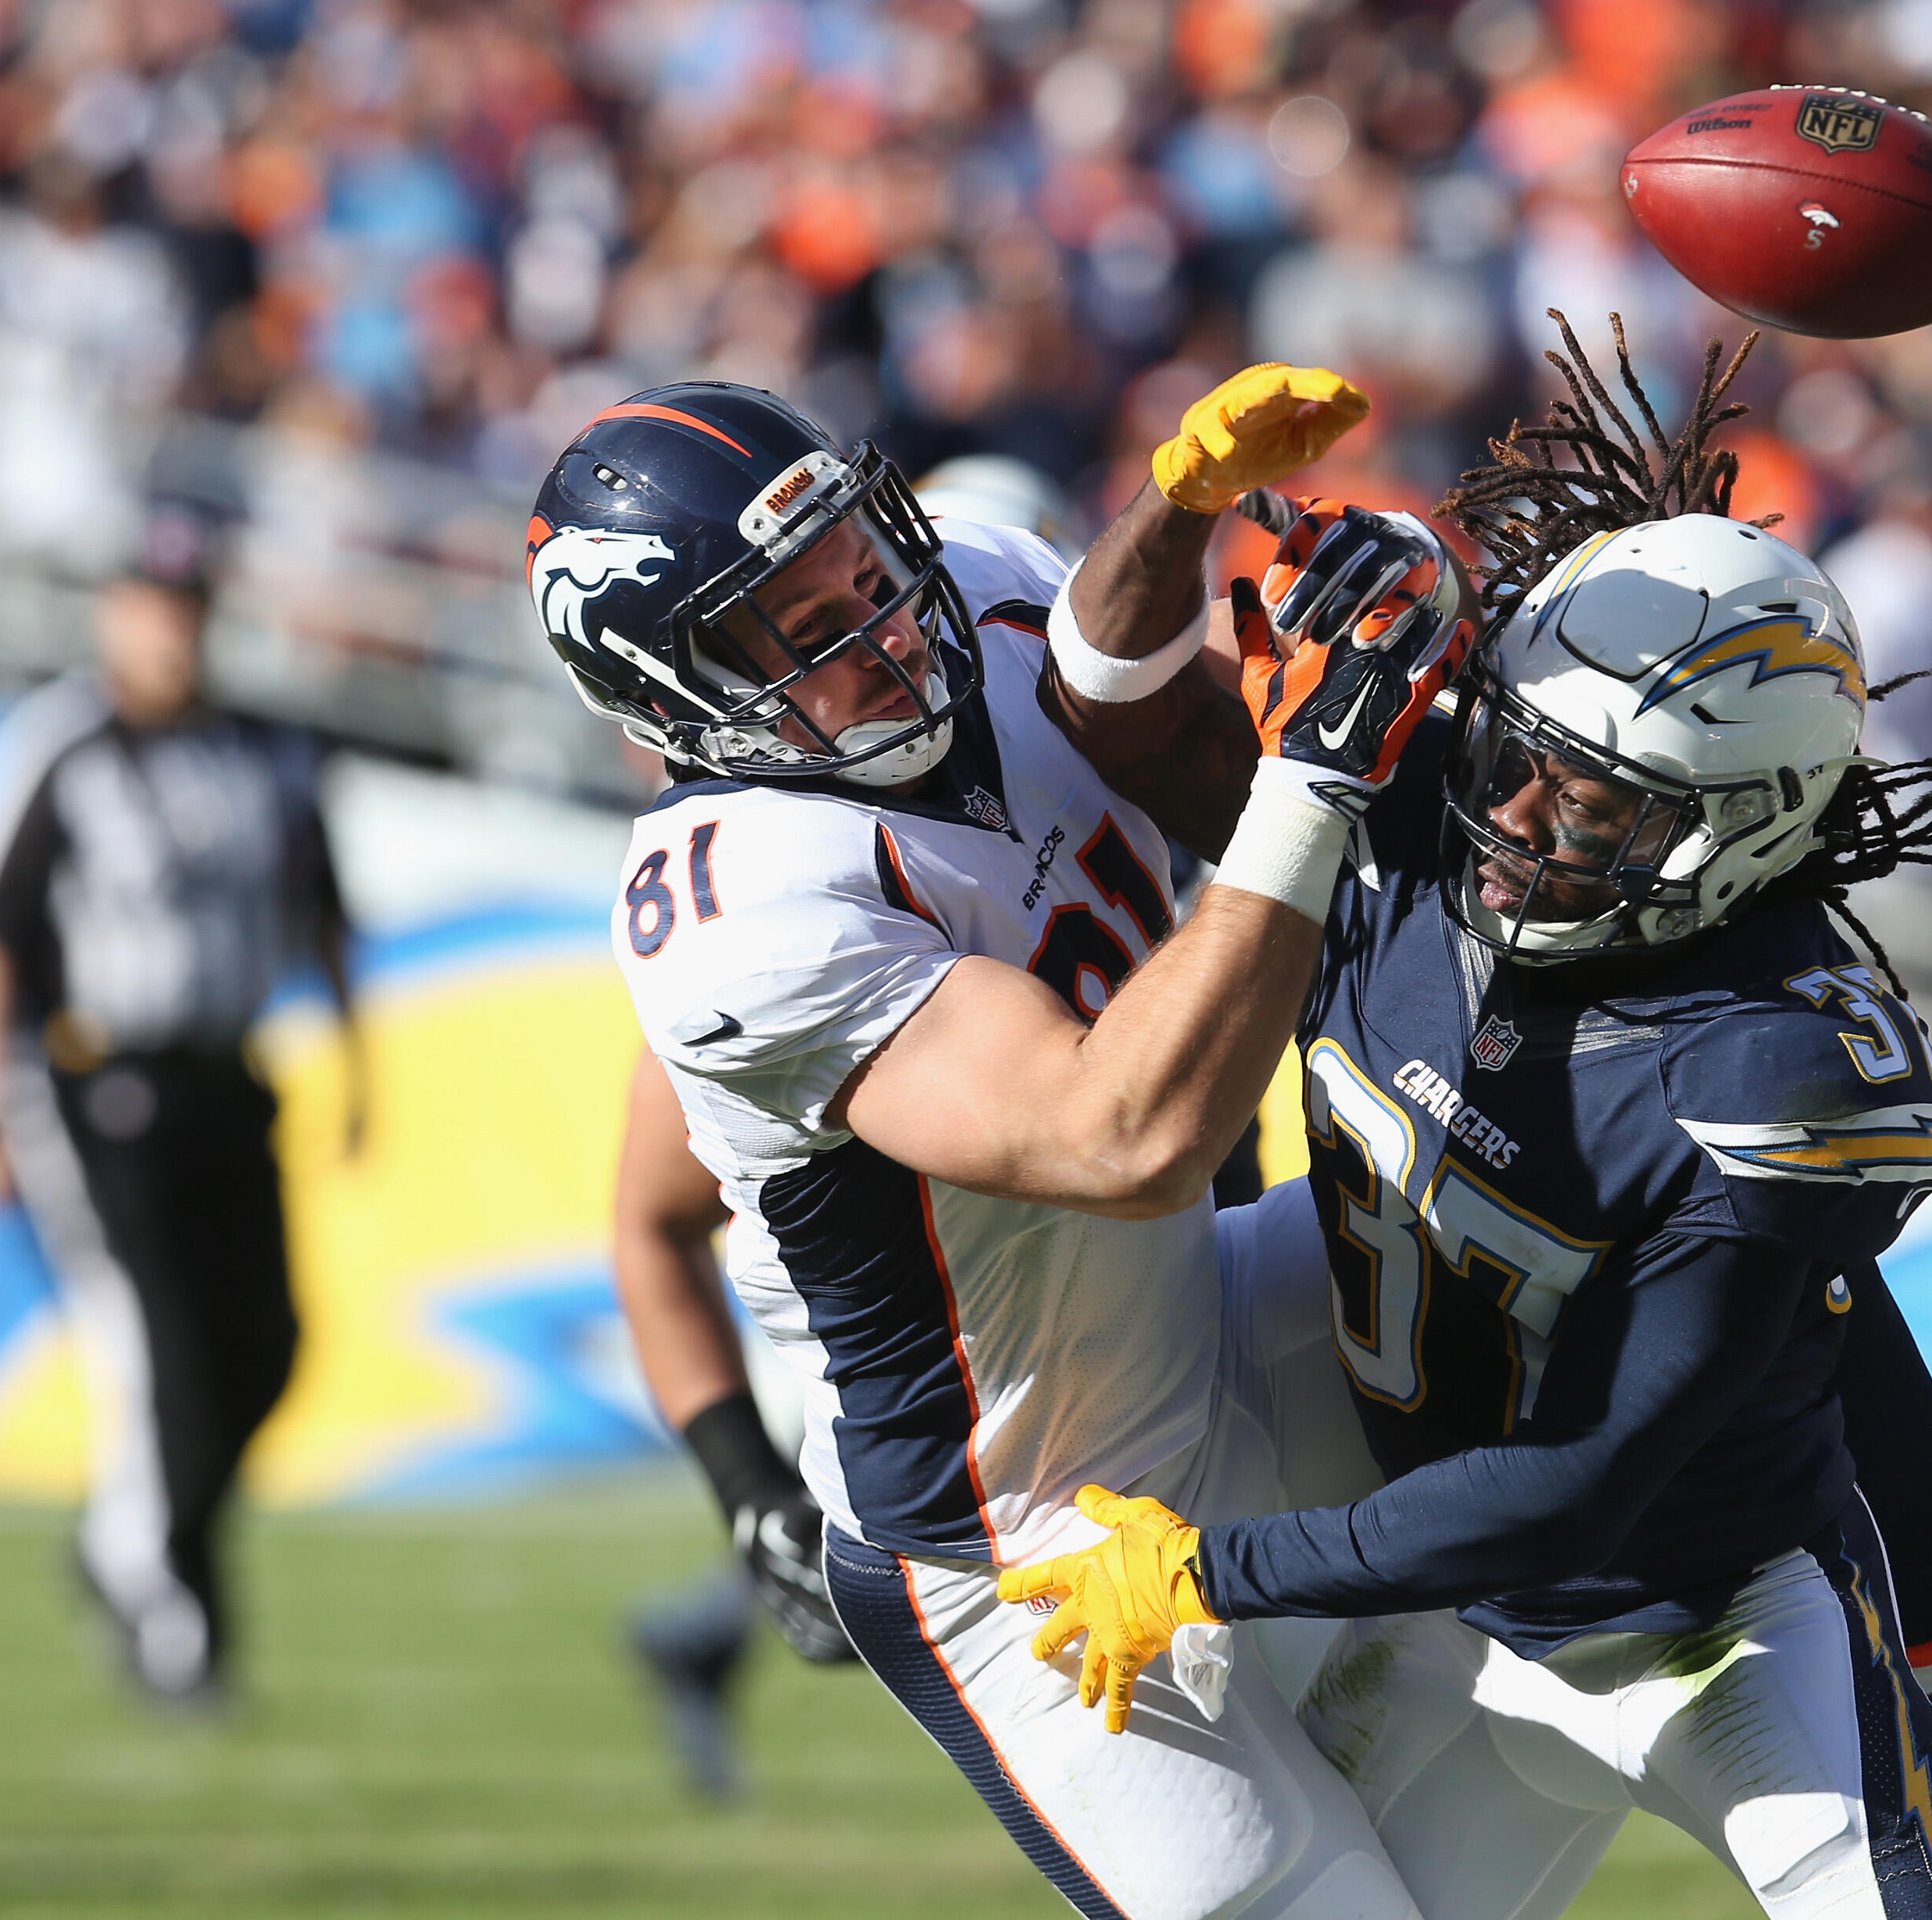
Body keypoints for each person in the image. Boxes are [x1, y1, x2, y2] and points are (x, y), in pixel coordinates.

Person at [1000, 319, 1932, 1911]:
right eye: (1519, 757)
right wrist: (1178, 506)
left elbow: (1578, 1481)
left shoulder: (1761, 1064)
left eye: (1589, 800)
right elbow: (1111, 701)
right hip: (1444, 1632)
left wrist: (1208, 1571)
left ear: (1740, 825)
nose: (1510, 819)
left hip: (1712, 1635)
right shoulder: (1424, 805)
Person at [529, 367, 1458, 1920]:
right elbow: (1122, 1132)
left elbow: (1114, 673)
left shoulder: (969, 572)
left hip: (1221, 1320)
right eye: (799, 626)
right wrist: (1310, 776)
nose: (885, 626)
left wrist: (1177, 503)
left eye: (862, 565)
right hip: (1023, 1542)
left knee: (1567, 1265)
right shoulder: (738, 903)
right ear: (672, 697)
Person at [0, 557, 361, 1707]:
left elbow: (322, 913)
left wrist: (357, 1060)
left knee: (270, 1345)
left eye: (188, 614)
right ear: (111, 622)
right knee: (156, 1349)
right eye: (150, 615)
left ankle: (128, 1538)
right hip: (93, 1081)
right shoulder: (65, 747)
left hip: (228, 1075)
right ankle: (175, 1615)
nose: (171, 639)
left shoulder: (270, 752)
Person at [610, 1045, 858, 1801]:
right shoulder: (764, 955)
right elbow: (653, 1221)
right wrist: (747, 1490)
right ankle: (703, 1630)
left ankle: (704, 1632)